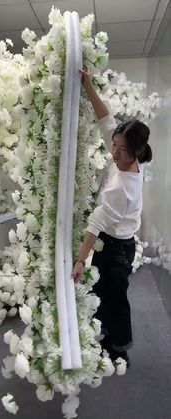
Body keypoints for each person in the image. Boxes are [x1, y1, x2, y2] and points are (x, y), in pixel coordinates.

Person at [72, 68, 152, 366]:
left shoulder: (122, 187)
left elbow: (96, 224)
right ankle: (107, 333)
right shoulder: (135, 158)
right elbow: (106, 120)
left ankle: (119, 347)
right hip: (117, 242)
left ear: (138, 150)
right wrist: (88, 86)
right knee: (104, 289)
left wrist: (80, 261)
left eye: (121, 150)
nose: (114, 153)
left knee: (116, 296)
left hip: (117, 247)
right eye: (114, 146)